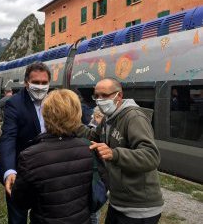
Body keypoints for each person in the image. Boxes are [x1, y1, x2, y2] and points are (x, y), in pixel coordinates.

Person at [76, 78, 163, 224]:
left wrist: (114, 154)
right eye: (96, 96)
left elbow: (151, 156)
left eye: (105, 95)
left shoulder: (134, 117)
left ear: (119, 96)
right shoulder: (108, 118)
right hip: (118, 202)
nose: (99, 100)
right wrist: (74, 124)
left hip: (139, 209)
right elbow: (94, 136)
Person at [11, 89, 93, 223]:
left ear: (46, 114)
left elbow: (21, 202)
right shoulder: (89, 149)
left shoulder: (30, 156)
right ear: (77, 114)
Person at [0, 61, 51, 224]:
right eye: (35, 82)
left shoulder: (54, 100)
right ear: (26, 83)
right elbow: (8, 138)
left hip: (47, 169)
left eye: (44, 83)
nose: (40, 87)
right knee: (17, 217)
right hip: (20, 170)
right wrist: (9, 171)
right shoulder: (14, 103)